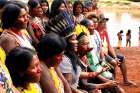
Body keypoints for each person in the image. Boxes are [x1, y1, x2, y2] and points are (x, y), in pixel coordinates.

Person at [97, 16, 136, 86]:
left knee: (121, 58)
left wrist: (115, 57)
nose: (105, 23)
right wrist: (111, 58)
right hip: (101, 55)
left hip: (107, 53)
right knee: (114, 63)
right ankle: (113, 82)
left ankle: (125, 80)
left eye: (105, 22)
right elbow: (99, 49)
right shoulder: (96, 32)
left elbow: (109, 45)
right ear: (99, 23)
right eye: (103, 22)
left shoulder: (105, 32)